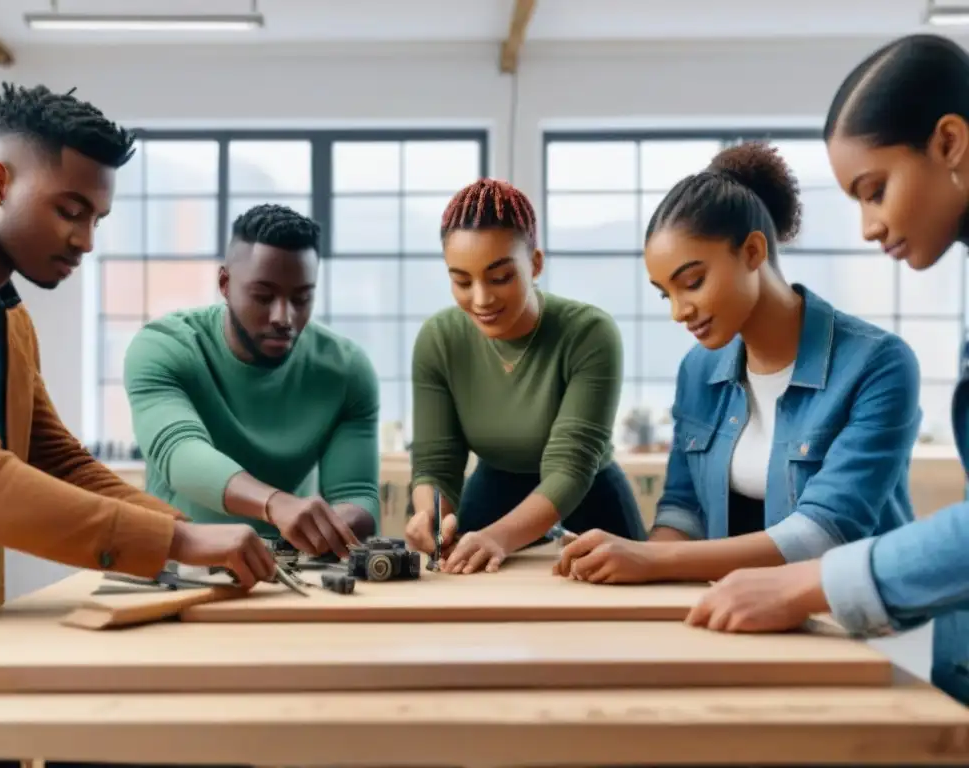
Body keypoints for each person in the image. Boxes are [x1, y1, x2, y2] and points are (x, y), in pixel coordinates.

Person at [683, 33, 969, 708]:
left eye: (876, 190)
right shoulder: (702, 373)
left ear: (950, 143)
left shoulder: (875, 362)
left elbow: (830, 524)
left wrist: (810, 583)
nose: (869, 226)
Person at [0, 82, 277, 640]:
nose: (86, 241)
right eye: (70, 211)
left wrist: (186, 533)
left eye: (97, 218)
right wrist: (182, 543)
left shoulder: (11, 320)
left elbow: (61, 462)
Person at [555, 141, 920, 586]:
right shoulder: (699, 369)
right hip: (752, 610)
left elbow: (825, 533)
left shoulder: (877, 364)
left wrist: (650, 562)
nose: (679, 311)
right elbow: (683, 510)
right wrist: (626, 562)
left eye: (692, 282)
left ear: (752, 251)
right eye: (665, 293)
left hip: (866, 625)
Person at [404, 178, 647, 575]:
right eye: (462, 281)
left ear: (535, 264)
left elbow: (570, 466)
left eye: (500, 277)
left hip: (591, 499)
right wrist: (430, 514)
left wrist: (499, 537)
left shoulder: (590, 333)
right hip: (490, 495)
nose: (481, 300)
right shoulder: (439, 339)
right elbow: (436, 461)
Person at [123, 203, 379, 558]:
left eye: (301, 298)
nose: (283, 317)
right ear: (225, 284)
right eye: (263, 296)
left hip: (291, 571)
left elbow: (358, 493)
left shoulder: (346, 369)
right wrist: (275, 503)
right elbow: (179, 452)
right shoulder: (164, 346)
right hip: (178, 565)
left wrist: (334, 526)